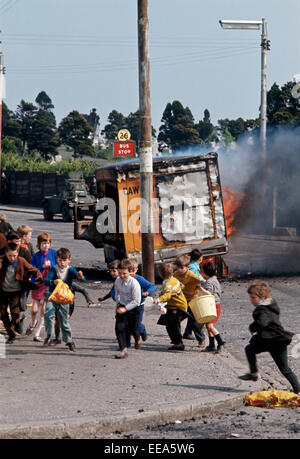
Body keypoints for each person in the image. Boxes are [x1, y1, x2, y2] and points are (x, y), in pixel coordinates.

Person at [239, 280, 300, 395]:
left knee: (250, 350)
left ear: (261, 297)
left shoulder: (262, 310)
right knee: (285, 369)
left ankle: (254, 374)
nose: (251, 300)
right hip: (275, 340)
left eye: (253, 297)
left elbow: (262, 322)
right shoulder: (271, 305)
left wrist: (252, 327)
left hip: (274, 341)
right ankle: (298, 390)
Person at [0, 242, 43, 344]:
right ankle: (11, 335)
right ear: (6, 253)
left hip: (15, 292)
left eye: (14, 255)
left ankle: (11, 327)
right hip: (2, 291)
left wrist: (38, 275)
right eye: (10, 255)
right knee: (2, 314)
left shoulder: (21, 261)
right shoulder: (2, 261)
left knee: (15, 314)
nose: (12, 258)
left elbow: (32, 269)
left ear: (17, 253)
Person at [44, 248, 84, 352]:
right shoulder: (54, 269)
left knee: (63, 321)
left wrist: (80, 276)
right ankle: (49, 334)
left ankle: (69, 341)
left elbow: (81, 278)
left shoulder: (70, 270)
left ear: (69, 260)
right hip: (53, 297)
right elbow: (46, 281)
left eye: (64, 260)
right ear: (57, 259)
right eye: (60, 260)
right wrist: (53, 282)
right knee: (48, 314)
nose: (62, 263)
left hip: (64, 299)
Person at [26, 233, 57, 341]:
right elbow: (32, 269)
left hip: (49, 285)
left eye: (48, 243)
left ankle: (37, 334)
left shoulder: (54, 253)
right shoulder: (36, 256)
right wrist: (42, 267)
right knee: (34, 309)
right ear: (39, 244)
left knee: (44, 309)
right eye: (44, 243)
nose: (46, 246)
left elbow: (58, 266)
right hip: (38, 284)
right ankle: (32, 322)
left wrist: (52, 266)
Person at [174, 254, 207, 347]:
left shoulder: (191, 275)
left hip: (192, 300)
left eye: (181, 268)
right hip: (181, 300)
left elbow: (201, 280)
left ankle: (201, 339)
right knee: (176, 320)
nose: (179, 270)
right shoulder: (175, 275)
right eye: (178, 267)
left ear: (187, 267)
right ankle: (178, 341)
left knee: (195, 322)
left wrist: (200, 287)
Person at [154, 262, 188, 351]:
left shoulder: (168, 284)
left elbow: (167, 296)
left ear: (161, 273)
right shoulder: (174, 279)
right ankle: (176, 341)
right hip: (177, 305)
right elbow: (182, 286)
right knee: (170, 323)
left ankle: (178, 343)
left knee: (173, 324)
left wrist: (159, 299)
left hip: (177, 306)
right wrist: (178, 291)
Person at [114, 258, 141, 359]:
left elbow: (137, 300)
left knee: (133, 328)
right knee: (119, 328)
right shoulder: (117, 281)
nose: (122, 276)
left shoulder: (134, 283)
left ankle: (137, 338)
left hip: (133, 308)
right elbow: (117, 293)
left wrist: (125, 308)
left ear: (130, 272)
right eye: (120, 273)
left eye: (124, 273)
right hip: (122, 306)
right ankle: (123, 350)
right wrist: (118, 304)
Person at [128, 257, 157, 342]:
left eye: (132, 271)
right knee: (126, 323)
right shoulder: (123, 279)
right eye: (128, 271)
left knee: (137, 324)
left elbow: (152, 286)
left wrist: (147, 293)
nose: (130, 274)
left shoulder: (139, 279)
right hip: (127, 304)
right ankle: (126, 341)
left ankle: (142, 331)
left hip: (138, 305)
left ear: (136, 270)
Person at [201, 261, 225, 353]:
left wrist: (200, 288)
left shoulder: (209, 282)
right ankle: (211, 345)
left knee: (210, 326)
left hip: (213, 305)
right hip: (215, 305)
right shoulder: (215, 280)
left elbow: (209, 293)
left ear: (205, 273)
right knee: (208, 326)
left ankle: (220, 342)